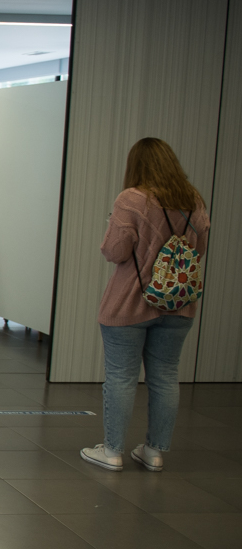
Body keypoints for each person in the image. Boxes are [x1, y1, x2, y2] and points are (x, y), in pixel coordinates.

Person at [81, 137, 209, 472]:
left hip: (129, 303)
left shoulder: (133, 199)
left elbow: (115, 251)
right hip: (178, 304)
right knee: (166, 376)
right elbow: (201, 247)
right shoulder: (193, 199)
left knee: (121, 377)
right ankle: (154, 451)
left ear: (137, 165)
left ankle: (111, 451)